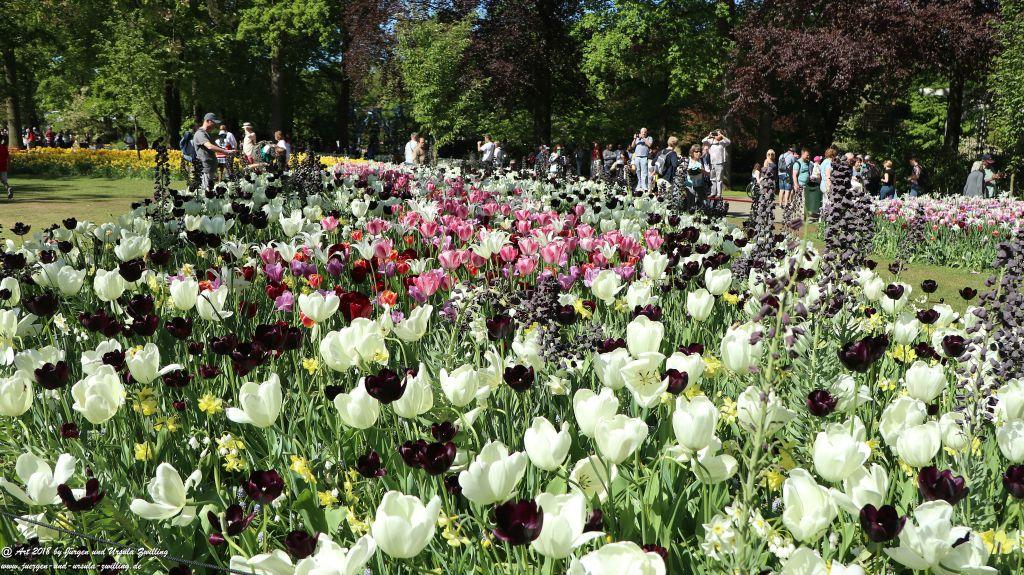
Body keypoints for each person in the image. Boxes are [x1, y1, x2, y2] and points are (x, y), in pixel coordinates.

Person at [192, 112, 236, 191]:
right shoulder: (200, 134)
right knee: (206, 192)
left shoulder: (207, 134)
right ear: (208, 121)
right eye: (214, 123)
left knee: (210, 191)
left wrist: (229, 151)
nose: (215, 125)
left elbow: (216, 146)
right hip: (205, 168)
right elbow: (209, 146)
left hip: (210, 167)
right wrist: (226, 152)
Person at [701, 130, 731, 198]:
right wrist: (709, 135)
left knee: (719, 179)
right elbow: (703, 141)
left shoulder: (723, 142)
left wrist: (722, 135)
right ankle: (713, 192)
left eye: (718, 134)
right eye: (716, 133)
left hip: (720, 162)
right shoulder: (711, 141)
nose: (717, 135)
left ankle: (719, 194)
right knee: (712, 178)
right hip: (712, 162)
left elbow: (729, 142)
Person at [0, 130, 12, 199]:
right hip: (3, 166)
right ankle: (8, 188)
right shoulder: (4, 148)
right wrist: (9, 166)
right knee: (4, 181)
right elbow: (8, 158)